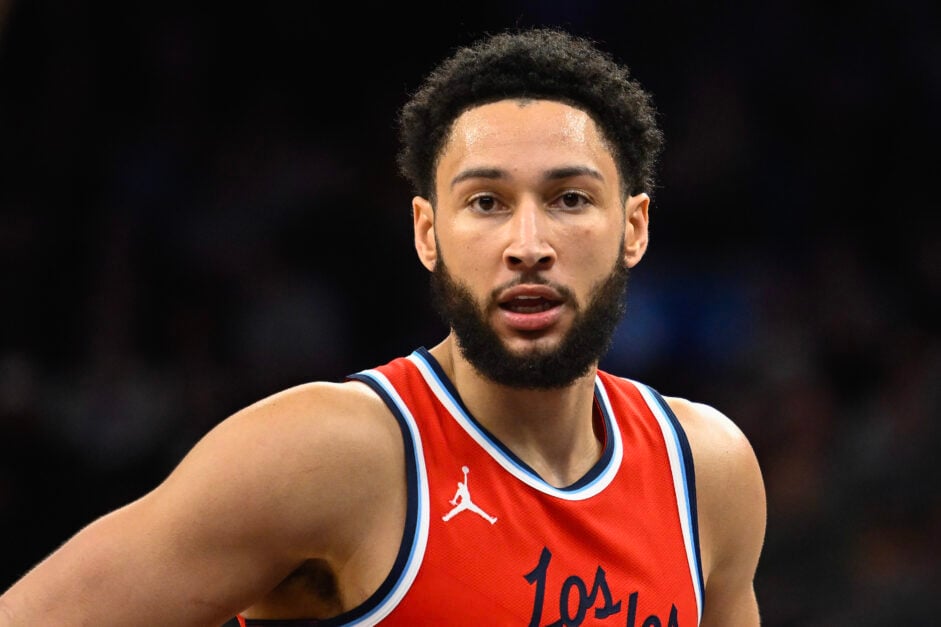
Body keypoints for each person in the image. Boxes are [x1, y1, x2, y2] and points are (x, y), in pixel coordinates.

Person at [0, 26, 766, 626]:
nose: (527, 244)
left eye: (569, 198)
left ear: (633, 227)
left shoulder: (706, 471)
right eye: (486, 202)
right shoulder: (332, 454)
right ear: (427, 233)